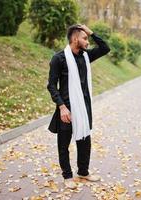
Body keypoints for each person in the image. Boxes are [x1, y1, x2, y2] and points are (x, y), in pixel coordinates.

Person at [47, 24, 110, 189]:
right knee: (63, 144)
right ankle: (67, 176)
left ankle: (83, 171)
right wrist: (61, 107)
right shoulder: (59, 58)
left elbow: (105, 48)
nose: (87, 42)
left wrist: (91, 32)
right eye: (84, 38)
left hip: (83, 108)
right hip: (66, 109)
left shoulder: (86, 56)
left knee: (85, 141)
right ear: (75, 39)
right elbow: (51, 86)